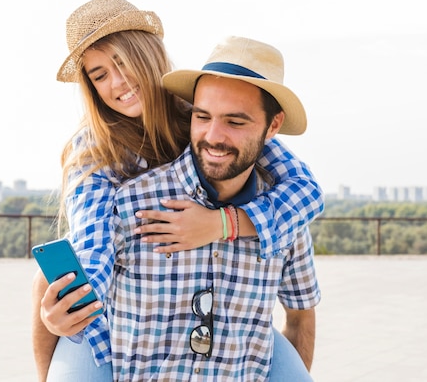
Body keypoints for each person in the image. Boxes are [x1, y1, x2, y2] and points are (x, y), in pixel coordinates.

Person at [33, 0, 323, 381]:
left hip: (229, 321)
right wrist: (78, 303)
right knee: (49, 288)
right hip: (114, 319)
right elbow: (93, 242)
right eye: (99, 75)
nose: (117, 82)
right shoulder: (95, 150)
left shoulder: (201, 116)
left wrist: (222, 224)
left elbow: (306, 190)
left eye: (122, 62)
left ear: (148, 55)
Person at [100, 35, 321, 380]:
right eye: (203, 117)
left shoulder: (286, 219)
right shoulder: (131, 203)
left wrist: (226, 223)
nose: (213, 136)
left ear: (273, 125)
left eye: (235, 122)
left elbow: (301, 315)